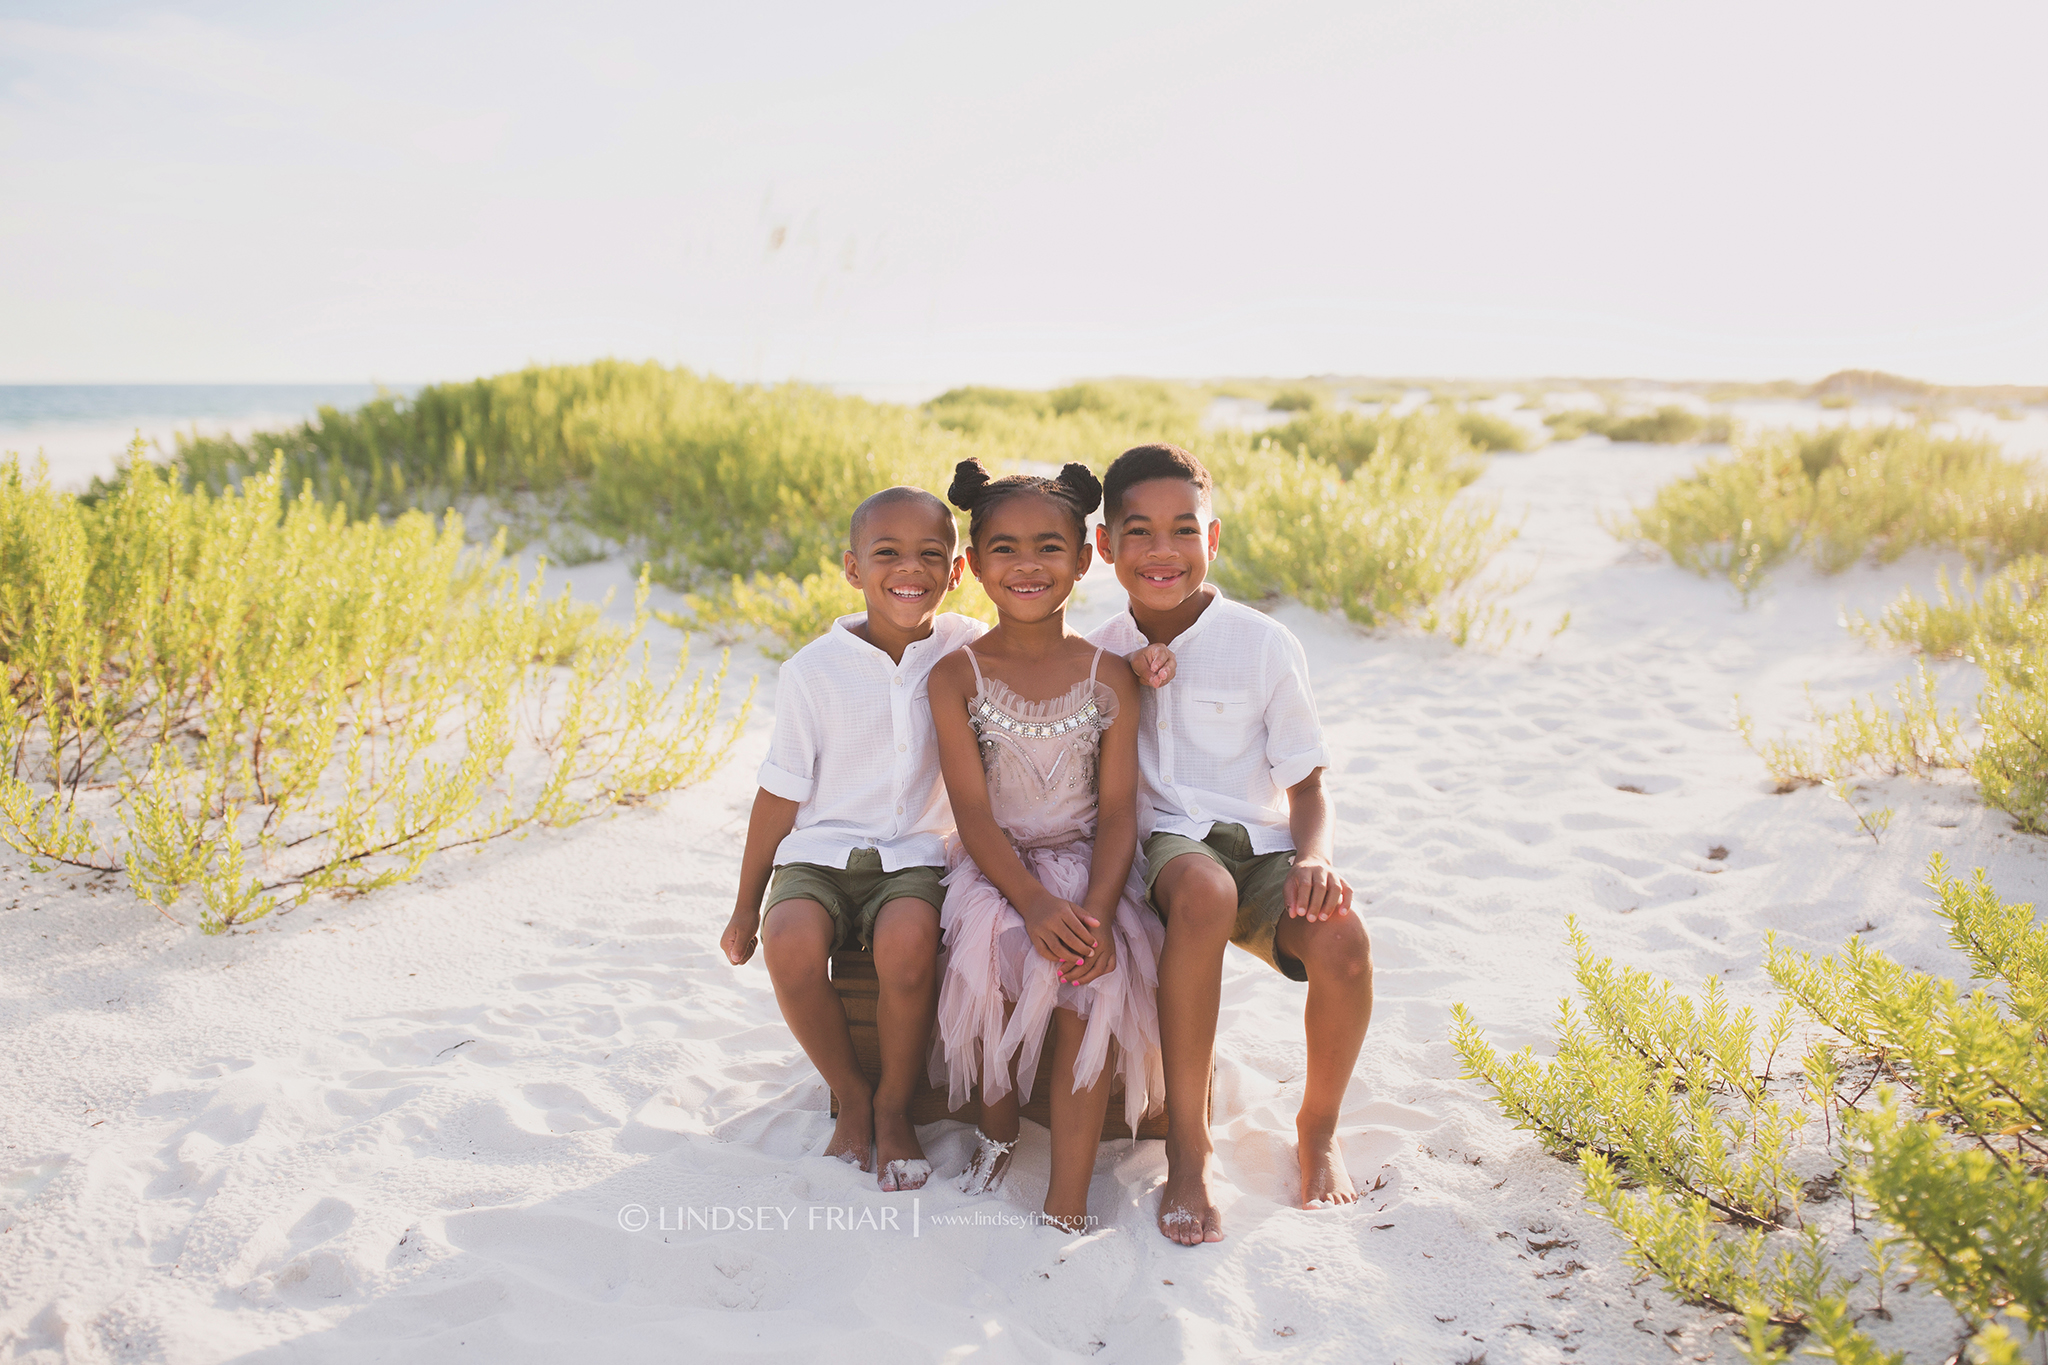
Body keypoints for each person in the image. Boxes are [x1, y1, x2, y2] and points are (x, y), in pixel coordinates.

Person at [1088, 443, 1375, 1245]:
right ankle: (1189, 1146)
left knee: (1345, 941)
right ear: (1107, 547)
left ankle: (1317, 1127)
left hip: (1259, 845)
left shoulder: (1262, 643)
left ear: (1212, 541)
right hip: (1165, 852)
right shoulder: (1098, 649)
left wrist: (1314, 856)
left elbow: (1308, 783)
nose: (1162, 551)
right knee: (1203, 889)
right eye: (1139, 532)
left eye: (1184, 530)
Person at [719, 485, 984, 1191]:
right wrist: (746, 905)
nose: (910, 569)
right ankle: (852, 1093)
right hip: (820, 857)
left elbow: (1049, 649)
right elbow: (779, 793)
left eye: (932, 554)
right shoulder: (812, 671)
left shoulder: (967, 648)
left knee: (905, 946)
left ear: (956, 572)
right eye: (887, 553)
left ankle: (896, 1102)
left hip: (915, 859)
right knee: (791, 942)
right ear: (851, 567)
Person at [925, 458, 1164, 1232]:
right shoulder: (956, 675)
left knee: (1087, 991)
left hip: (1089, 867)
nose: (1027, 565)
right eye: (1005, 548)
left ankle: (1068, 1195)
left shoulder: (1107, 676)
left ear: (1085, 557)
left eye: (1049, 547)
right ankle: (996, 1133)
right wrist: (1027, 901)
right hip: (998, 870)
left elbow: (1121, 811)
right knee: (989, 965)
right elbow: (970, 810)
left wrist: (1093, 912)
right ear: (976, 564)